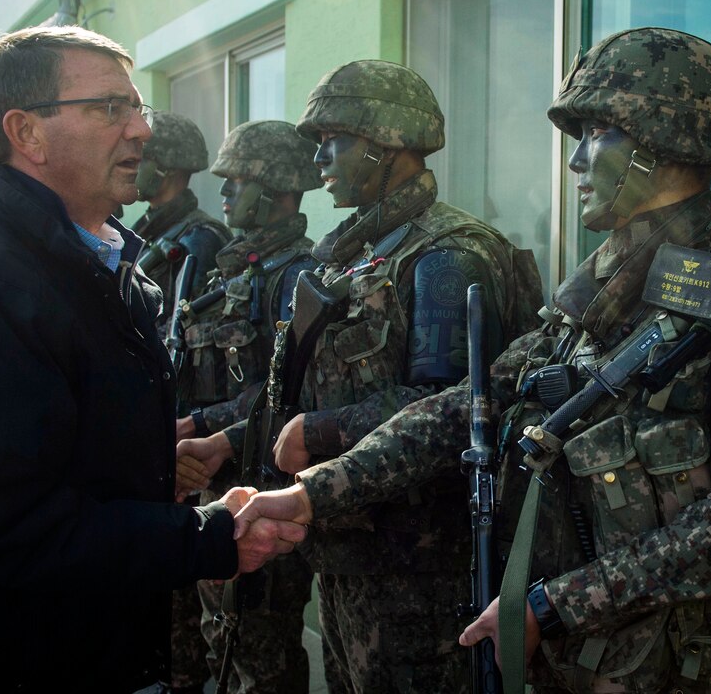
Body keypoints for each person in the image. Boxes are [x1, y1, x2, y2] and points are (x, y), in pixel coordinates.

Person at [233, 29, 711, 693]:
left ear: (668, 139)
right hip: (570, 664)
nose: (577, 162)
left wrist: (557, 606)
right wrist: (312, 494)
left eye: (599, 133)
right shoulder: (596, 295)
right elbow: (468, 407)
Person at [0, 25, 304, 692]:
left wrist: (152, 471)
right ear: (26, 133)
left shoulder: (93, 262)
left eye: (136, 107)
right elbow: (4, 528)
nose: (140, 132)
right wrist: (203, 537)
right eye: (108, 108)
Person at [179, 60, 545, 692]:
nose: (320, 158)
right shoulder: (358, 254)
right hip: (351, 552)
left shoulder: (444, 255)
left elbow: (445, 404)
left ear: (384, 147)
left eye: (335, 141)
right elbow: (298, 391)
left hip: (418, 572)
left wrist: (320, 433)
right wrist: (226, 441)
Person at [167, 119, 321, 693]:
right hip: (218, 482)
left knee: (257, 659)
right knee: (221, 648)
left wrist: (205, 426)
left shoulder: (297, 274)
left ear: (277, 188)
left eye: (238, 180)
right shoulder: (238, 268)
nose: (225, 191)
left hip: (262, 487)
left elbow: (290, 387)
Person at [134, 111, 231, 327]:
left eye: (140, 157)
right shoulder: (149, 229)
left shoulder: (200, 237)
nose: (131, 164)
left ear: (166, 167)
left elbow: (191, 326)